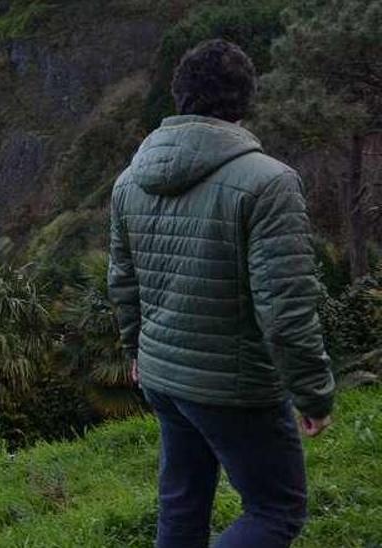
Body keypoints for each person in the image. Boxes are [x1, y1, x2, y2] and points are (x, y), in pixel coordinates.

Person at [108, 39, 336, 548]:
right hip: (234, 384)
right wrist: (312, 390)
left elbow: (121, 281)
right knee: (276, 510)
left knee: (182, 506)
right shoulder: (269, 182)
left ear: (178, 93)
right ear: (245, 99)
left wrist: (135, 352)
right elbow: (284, 305)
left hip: (163, 374)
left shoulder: (129, 181)